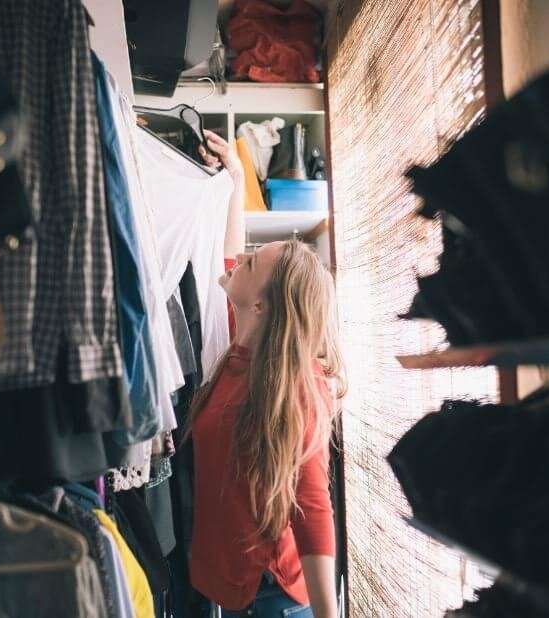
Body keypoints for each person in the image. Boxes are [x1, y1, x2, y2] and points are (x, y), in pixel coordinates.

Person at [188, 130, 347, 617]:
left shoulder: (295, 385)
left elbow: (313, 508)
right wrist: (237, 177)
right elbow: (229, 257)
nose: (239, 260)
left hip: (272, 595)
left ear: (261, 305)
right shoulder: (243, 342)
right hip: (229, 586)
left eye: (252, 262)